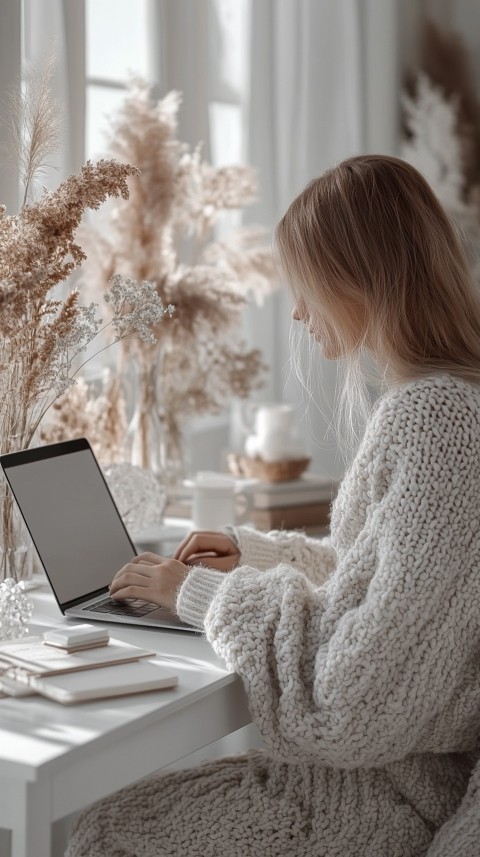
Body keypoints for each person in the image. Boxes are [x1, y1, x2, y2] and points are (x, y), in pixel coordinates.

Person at [66, 154, 480, 857]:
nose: (296, 310)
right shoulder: (447, 406)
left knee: (105, 834)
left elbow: (356, 696)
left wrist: (200, 596)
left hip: (389, 791)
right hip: (394, 775)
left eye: (306, 285)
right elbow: (382, 584)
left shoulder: (434, 423)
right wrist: (254, 554)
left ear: (361, 277)